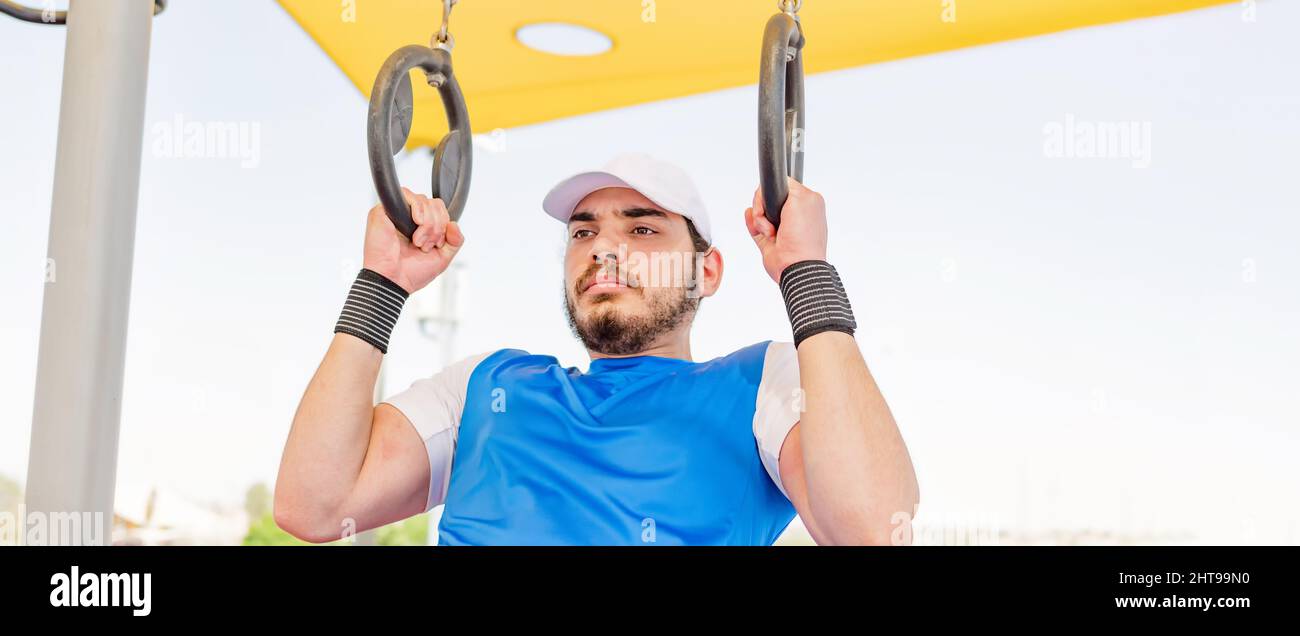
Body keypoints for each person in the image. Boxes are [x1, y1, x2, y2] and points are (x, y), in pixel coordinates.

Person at [274, 153, 919, 545]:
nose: (604, 248)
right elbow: (313, 506)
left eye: (641, 227)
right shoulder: (486, 386)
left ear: (708, 272)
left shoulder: (762, 386)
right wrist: (380, 288)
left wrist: (806, 271)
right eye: (585, 232)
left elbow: (872, 528)